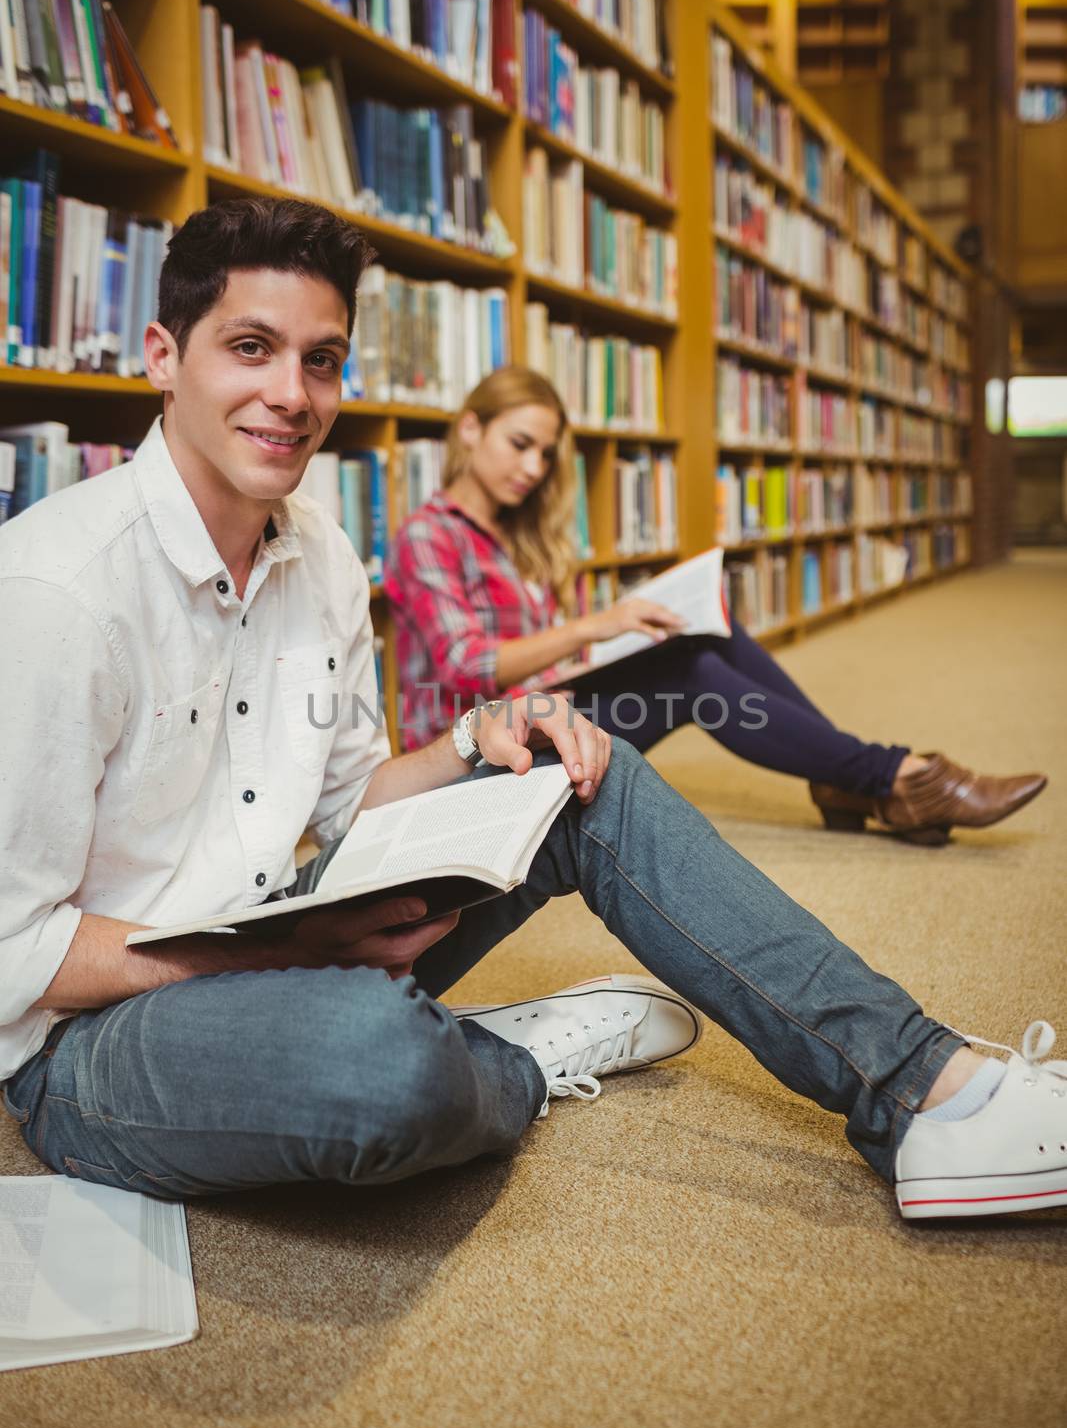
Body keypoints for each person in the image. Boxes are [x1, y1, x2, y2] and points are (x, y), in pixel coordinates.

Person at [0, 195, 1062, 1226]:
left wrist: (477, 739)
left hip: (281, 914)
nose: (291, 392)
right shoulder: (59, 591)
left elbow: (346, 794)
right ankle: (499, 1055)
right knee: (379, 1062)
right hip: (94, 1036)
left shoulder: (316, 548)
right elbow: (14, 949)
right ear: (160, 355)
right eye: (250, 346)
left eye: (320, 358)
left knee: (576, 773)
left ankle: (929, 1087)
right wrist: (279, 956)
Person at [385, 367, 1046, 847]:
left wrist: (618, 635)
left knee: (704, 633)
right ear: (470, 430)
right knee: (688, 674)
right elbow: (470, 666)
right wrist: (598, 624)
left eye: (545, 453)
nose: (532, 468)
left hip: (546, 716)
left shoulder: (514, 535)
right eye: (518, 443)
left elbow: (550, 662)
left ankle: (860, 778)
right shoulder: (427, 536)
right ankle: (888, 778)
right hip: (478, 754)